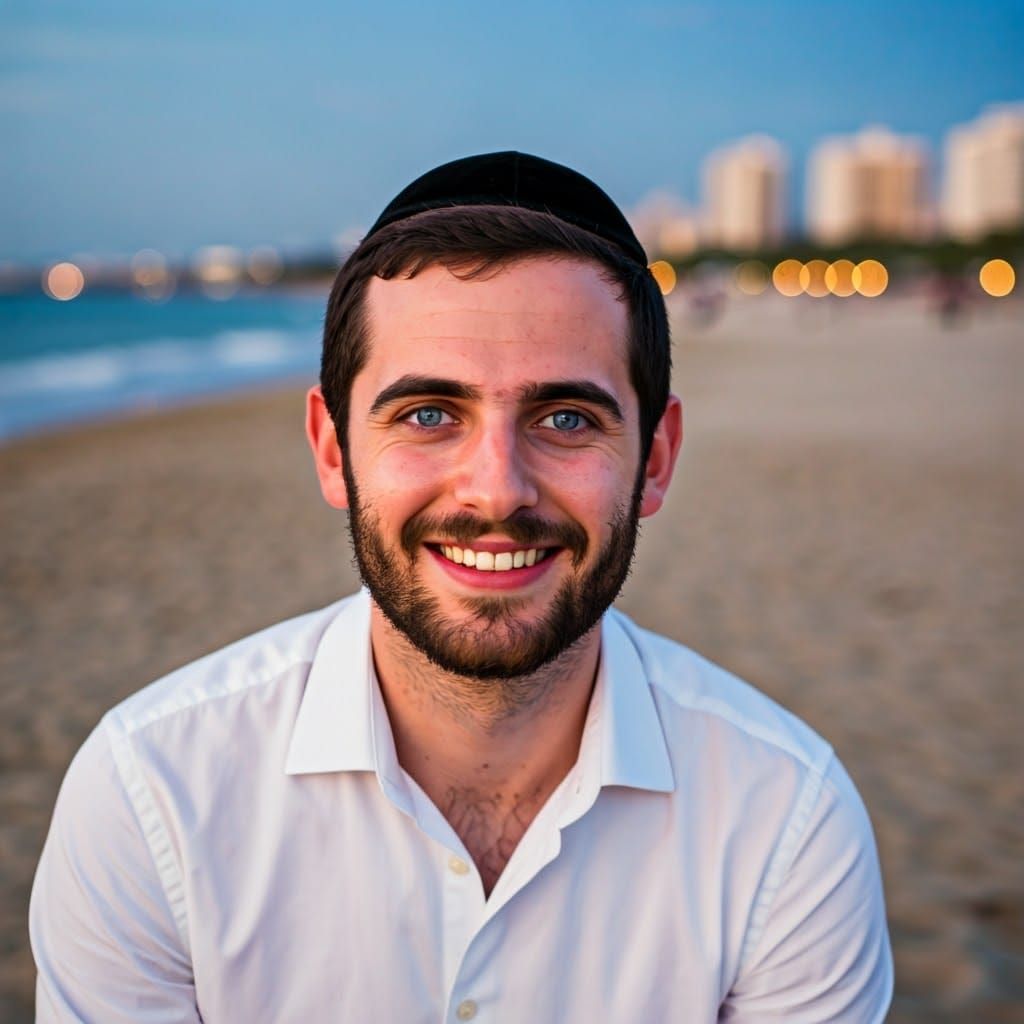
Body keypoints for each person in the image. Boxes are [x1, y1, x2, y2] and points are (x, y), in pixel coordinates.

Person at [30, 151, 893, 1021]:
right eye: (429, 415)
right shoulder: (151, 798)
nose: (495, 491)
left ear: (656, 460)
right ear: (333, 451)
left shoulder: (786, 822)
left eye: (565, 419)